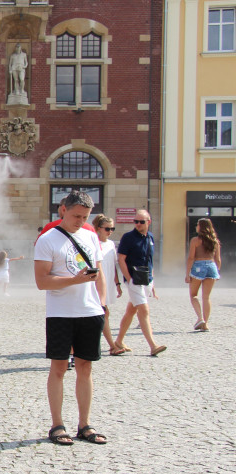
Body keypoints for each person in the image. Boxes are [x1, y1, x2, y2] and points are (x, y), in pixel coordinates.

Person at [33, 190, 108, 446]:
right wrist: (75, 280)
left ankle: (85, 424)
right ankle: (57, 424)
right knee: (59, 368)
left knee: (86, 368)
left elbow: (100, 273)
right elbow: (42, 281)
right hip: (61, 313)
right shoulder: (47, 239)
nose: (80, 220)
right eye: (77, 215)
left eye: (85, 216)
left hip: (90, 311)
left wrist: (103, 302)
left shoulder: (90, 236)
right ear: (63, 210)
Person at [115, 210, 166, 356]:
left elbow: (150, 261)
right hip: (134, 279)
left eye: (141, 221)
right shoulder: (128, 237)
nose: (138, 224)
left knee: (131, 310)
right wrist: (128, 279)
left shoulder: (150, 237)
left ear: (148, 222)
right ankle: (153, 345)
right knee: (144, 310)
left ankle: (118, 341)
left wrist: (153, 281)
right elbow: (121, 259)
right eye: (135, 221)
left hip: (147, 279)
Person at [92, 214, 124, 355]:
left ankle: (104, 344)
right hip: (97, 283)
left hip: (109, 282)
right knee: (103, 313)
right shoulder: (93, 242)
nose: (110, 231)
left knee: (103, 313)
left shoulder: (111, 244)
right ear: (99, 228)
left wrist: (117, 283)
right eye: (107, 229)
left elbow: (113, 265)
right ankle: (112, 346)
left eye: (112, 228)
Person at [186, 217, 222, 332]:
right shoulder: (215, 241)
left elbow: (191, 257)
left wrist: (187, 274)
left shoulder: (195, 240)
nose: (196, 226)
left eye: (197, 224)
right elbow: (218, 259)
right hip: (212, 266)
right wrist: (217, 271)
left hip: (198, 267)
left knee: (193, 295)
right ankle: (205, 323)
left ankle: (200, 318)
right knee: (206, 297)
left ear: (201, 227)